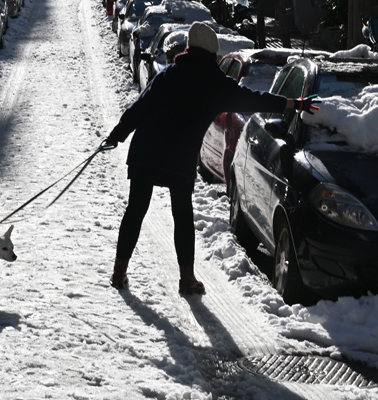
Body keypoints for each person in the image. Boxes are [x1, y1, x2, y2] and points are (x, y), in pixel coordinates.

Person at [100, 22, 320, 295]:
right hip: (178, 158)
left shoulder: (169, 74)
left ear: (190, 49)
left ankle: (118, 273)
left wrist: (115, 136)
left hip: (146, 150)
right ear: (212, 53)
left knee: (135, 211)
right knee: (182, 216)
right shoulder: (215, 84)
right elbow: (253, 100)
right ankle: (186, 278)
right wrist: (294, 103)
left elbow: (139, 108)